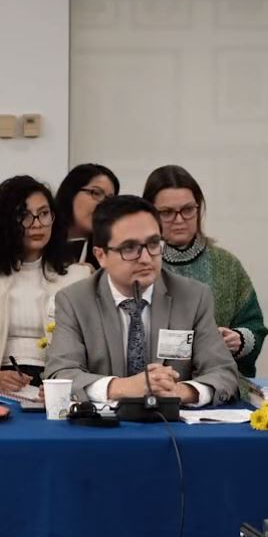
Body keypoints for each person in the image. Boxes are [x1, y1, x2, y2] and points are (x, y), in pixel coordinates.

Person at [44, 195, 239, 405]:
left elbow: (223, 373)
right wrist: (124, 387)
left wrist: (180, 392)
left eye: (154, 244)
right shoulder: (75, 301)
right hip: (102, 431)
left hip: (174, 427)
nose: (146, 258)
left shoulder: (193, 296)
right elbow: (60, 374)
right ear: (101, 256)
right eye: (129, 248)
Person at [0, 175, 90, 391]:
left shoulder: (76, 276)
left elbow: (90, 349)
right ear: (5, 223)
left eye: (44, 214)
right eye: (25, 216)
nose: (37, 225)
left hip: (57, 384)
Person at [144, 164, 265, 377]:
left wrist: (240, 339)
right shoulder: (139, 265)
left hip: (218, 387)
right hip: (151, 384)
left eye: (188, 209)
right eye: (167, 212)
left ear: (198, 208)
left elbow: (253, 324)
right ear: (150, 213)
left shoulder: (226, 264)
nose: (179, 219)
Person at [54, 163, 119, 269]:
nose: (102, 204)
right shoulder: (42, 239)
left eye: (109, 199)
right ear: (71, 192)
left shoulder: (110, 251)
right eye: (96, 193)